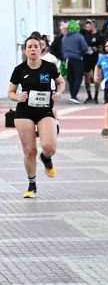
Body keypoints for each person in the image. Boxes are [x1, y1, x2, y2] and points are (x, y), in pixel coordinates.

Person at [7, 36, 64, 198]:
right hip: (24, 112)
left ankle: (46, 158)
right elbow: (10, 92)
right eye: (29, 46)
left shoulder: (49, 67)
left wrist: (58, 93)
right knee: (30, 150)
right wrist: (18, 97)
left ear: (41, 49)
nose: (32, 49)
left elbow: (61, 82)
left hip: (45, 111)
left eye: (35, 46)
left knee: (50, 146)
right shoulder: (19, 70)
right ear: (25, 50)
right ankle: (32, 185)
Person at [61, 20, 89, 104]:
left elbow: (62, 49)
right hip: (77, 58)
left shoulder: (65, 37)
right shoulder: (79, 36)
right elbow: (85, 48)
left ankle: (72, 95)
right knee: (78, 77)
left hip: (66, 60)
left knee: (71, 78)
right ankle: (74, 96)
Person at [82, 20, 101, 103]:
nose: (86, 28)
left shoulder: (98, 35)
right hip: (86, 58)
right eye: (85, 27)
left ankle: (96, 96)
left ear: (93, 26)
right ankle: (89, 95)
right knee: (86, 77)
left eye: (88, 26)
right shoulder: (84, 35)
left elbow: (102, 47)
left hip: (95, 58)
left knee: (96, 78)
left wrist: (95, 49)